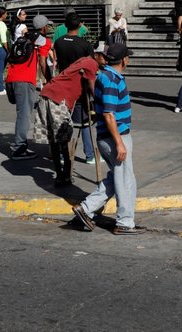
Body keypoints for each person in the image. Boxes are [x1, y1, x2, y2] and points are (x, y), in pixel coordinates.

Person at [71, 43, 143, 235]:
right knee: (125, 180)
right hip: (115, 137)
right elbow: (109, 115)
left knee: (118, 177)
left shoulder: (105, 76)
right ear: (124, 60)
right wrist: (119, 142)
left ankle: (86, 208)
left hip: (110, 136)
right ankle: (125, 222)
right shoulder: (111, 80)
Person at [37, 51, 101, 187]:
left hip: (48, 94)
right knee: (62, 138)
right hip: (57, 98)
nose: (106, 62)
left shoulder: (84, 59)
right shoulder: (91, 63)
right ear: (98, 55)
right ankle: (64, 175)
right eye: (105, 59)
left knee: (55, 139)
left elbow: (83, 87)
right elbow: (91, 87)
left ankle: (62, 175)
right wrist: (100, 104)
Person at [53, 12, 97, 165]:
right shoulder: (85, 45)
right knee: (85, 121)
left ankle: (61, 154)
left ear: (65, 25)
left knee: (62, 120)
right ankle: (90, 155)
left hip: (62, 86)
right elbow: (90, 68)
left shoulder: (58, 42)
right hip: (79, 87)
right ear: (80, 25)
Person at [6, 19, 41, 161]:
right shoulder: (33, 44)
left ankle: (21, 144)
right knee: (24, 115)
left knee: (23, 112)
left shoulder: (16, 44)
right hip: (24, 82)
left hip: (12, 79)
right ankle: (19, 148)